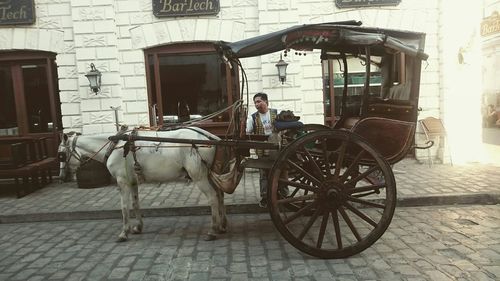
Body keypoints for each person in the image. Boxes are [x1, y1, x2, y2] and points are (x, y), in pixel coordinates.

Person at [246, 93, 279, 207]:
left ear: (266, 102)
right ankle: (265, 197)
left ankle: (281, 194)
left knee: (278, 171)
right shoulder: (253, 117)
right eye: (255, 102)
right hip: (262, 149)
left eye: (259, 101)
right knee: (263, 174)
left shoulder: (276, 113)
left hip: (276, 147)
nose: (257, 104)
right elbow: (248, 131)